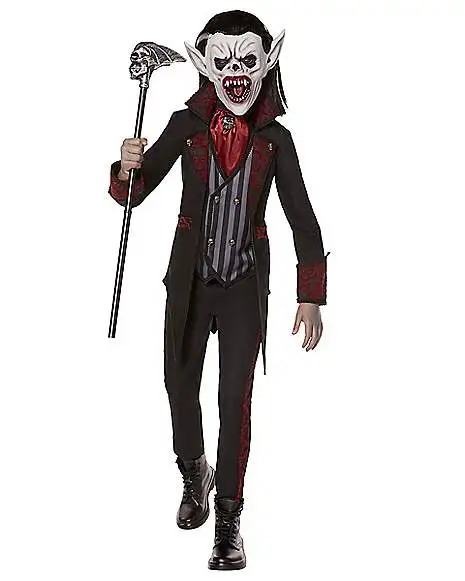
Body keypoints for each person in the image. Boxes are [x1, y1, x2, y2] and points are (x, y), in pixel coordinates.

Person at [108, 10, 329, 571]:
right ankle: (194, 473)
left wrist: (310, 294)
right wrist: (126, 167)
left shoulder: (277, 141)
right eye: (223, 60)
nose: (235, 72)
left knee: (235, 401)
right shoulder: (186, 125)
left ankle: (228, 521)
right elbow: (135, 192)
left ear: (266, 64)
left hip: (243, 286)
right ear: (205, 64)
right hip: (190, 281)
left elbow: (302, 217)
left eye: (247, 60)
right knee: (179, 386)